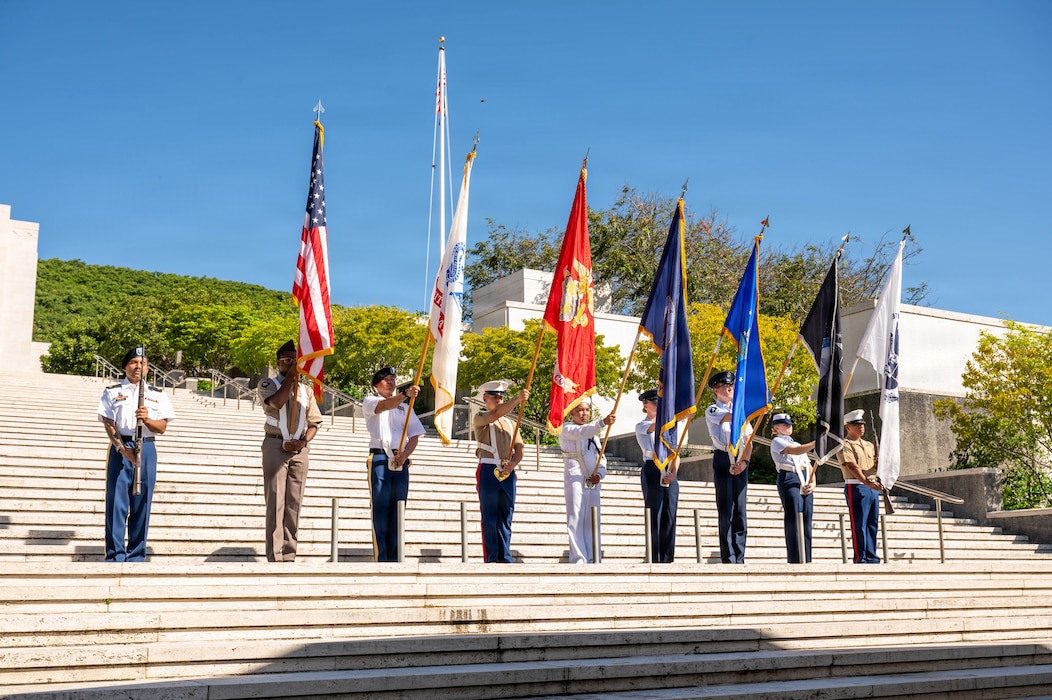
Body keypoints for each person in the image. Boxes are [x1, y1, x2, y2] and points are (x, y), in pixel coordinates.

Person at [96, 346, 175, 562]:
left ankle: (136, 555)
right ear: (124, 366)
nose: (138, 366)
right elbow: (109, 423)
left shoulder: (157, 395)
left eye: (143, 363)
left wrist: (147, 419)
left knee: (142, 503)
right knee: (117, 503)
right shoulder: (112, 392)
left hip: (147, 447)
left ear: (148, 368)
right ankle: (115, 555)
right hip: (122, 446)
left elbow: (162, 427)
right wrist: (122, 448)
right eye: (134, 362)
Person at [257, 341, 323, 563]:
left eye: (295, 361)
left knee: (294, 503)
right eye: (286, 360)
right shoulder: (269, 383)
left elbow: (314, 422)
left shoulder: (306, 391)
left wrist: (303, 442)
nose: (291, 363)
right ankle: (275, 556)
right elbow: (276, 402)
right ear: (278, 362)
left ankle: (289, 554)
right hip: (276, 445)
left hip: (299, 450)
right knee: (276, 502)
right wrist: (291, 377)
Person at [363, 366, 424, 562]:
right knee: (381, 508)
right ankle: (382, 557)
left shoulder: (405, 407)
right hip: (380, 458)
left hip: (400, 461)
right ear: (376, 384)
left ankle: (396, 556)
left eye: (392, 379)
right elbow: (385, 406)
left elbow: (414, 434)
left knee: (399, 509)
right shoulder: (371, 401)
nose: (390, 382)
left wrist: (405, 454)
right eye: (385, 379)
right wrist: (405, 394)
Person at [473, 380, 529, 563]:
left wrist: (513, 463)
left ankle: (504, 556)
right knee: (490, 516)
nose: (498, 400)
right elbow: (496, 414)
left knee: (506, 516)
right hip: (489, 467)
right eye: (495, 397)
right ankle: (491, 557)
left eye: (501, 397)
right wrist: (518, 399)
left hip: (507, 470)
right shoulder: (480, 416)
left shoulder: (512, 423)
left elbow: (520, 448)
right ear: (485, 399)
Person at [705, 369, 753, 564]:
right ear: (716, 390)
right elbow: (731, 420)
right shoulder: (713, 410)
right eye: (725, 386)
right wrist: (748, 408)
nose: (730, 388)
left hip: (740, 458)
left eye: (732, 385)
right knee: (727, 509)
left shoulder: (740, 410)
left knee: (740, 510)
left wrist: (745, 462)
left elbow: (749, 440)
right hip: (724, 457)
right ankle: (729, 556)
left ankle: (740, 556)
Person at [559, 402, 616, 564]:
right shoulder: (567, 429)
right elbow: (582, 432)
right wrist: (602, 422)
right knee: (576, 518)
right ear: (572, 413)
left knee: (593, 520)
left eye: (587, 410)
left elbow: (601, 459)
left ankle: (593, 556)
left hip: (592, 482)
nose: (584, 413)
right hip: (575, 478)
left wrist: (600, 474)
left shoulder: (595, 437)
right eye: (580, 410)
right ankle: (578, 558)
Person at [634, 389, 679, 563]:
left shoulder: (669, 426)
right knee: (655, 514)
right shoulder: (642, 425)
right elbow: (655, 427)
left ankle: (668, 558)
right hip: (652, 467)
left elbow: (676, 453)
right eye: (655, 403)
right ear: (646, 406)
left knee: (670, 514)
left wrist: (673, 473)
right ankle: (655, 556)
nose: (659, 406)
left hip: (668, 467)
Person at [770, 412, 816, 563]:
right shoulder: (777, 441)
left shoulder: (796, 443)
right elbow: (794, 451)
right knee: (794, 518)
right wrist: (817, 443)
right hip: (789, 477)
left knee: (806, 519)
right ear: (776, 427)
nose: (788, 426)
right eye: (784, 424)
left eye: (789, 424)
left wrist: (813, 482)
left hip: (804, 478)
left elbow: (808, 465)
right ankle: (795, 558)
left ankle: (807, 557)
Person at [840, 408, 883, 564]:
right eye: (856, 424)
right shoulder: (845, 444)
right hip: (856, 486)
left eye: (862, 424)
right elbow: (852, 466)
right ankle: (861, 557)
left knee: (872, 523)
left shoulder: (869, 445)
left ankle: (872, 556)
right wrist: (866, 482)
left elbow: (873, 466)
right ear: (847, 427)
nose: (860, 427)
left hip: (871, 486)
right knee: (860, 524)